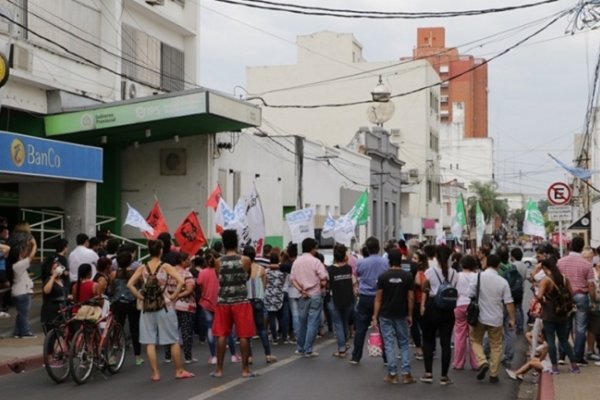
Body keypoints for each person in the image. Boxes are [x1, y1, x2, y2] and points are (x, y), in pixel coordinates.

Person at [127, 239, 194, 381]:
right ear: (161, 251)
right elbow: (181, 281)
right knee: (173, 339)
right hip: (165, 306)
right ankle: (179, 371)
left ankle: (155, 373)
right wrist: (173, 296)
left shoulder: (142, 267)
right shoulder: (165, 266)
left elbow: (130, 284)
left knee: (150, 341)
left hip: (147, 307)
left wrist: (140, 297)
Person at [211, 230, 256, 378]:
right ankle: (245, 370)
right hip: (241, 301)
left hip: (223, 301)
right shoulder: (245, 260)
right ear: (236, 242)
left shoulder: (218, 262)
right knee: (243, 335)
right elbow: (247, 277)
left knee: (222, 335)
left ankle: (219, 370)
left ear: (223, 243)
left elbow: (220, 278)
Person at [469, 254, 516, 383]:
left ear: (486, 263)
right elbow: (509, 302)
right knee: (496, 345)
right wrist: (512, 319)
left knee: (475, 340)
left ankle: (482, 361)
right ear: (498, 265)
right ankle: (493, 373)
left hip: (479, 317)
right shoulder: (502, 281)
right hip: (496, 318)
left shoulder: (477, 277)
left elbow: (470, 293)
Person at [372, 249, 416, 384]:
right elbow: (411, 297)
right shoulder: (408, 276)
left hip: (385, 314)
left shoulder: (383, 276)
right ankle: (407, 373)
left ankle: (392, 374)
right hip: (401, 313)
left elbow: (378, 298)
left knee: (389, 343)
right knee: (403, 343)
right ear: (401, 260)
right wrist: (410, 314)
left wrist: (374, 316)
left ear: (389, 261)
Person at [420, 244, 458, 385]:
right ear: (449, 257)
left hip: (432, 307)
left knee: (428, 340)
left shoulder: (430, 272)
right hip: (448, 310)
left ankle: (428, 373)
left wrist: (423, 305)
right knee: (446, 343)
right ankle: (444, 376)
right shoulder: (454, 273)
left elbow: (424, 288)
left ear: (436, 256)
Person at [536, 258, 580, 374]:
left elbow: (539, 296)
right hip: (562, 314)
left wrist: (544, 303)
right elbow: (572, 293)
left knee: (551, 340)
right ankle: (574, 365)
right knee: (564, 340)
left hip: (549, 314)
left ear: (545, 268)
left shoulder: (546, 280)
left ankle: (554, 367)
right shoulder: (564, 278)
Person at [557, 236, 596, 365]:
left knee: (565, 326)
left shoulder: (561, 262)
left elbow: (557, 281)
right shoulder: (586, 264)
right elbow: (591, 285)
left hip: (565, 297)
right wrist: (594, 300)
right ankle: (578, 357)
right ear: (581, 247)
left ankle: (562, 356)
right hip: (581, 296)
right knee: (580, 328)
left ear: (571, 246)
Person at [349, 237, 389, 364]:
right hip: (381, 297)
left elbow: (358, 275)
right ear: (378, 248)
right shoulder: (385, 262)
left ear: (367, 248)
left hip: (365, 297)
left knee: (360, 328)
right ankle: (387, 357)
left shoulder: (361, 263)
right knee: (384, 328)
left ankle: (356, 356)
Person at [290, 237, 328, 357]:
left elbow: (292, 279)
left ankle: (300, 348)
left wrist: (301, 289)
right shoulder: (316, 262)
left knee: (302, 322)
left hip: (302, 295)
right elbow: (324, 278)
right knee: (312, 322)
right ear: (313, 248)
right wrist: (322, 284)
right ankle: (308, 349)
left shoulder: (297, 261)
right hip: (315, 294)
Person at [244, 245, 277, 364]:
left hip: (246, 301)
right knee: (262, 329)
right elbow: (264, 285)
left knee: (247, 331)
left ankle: (249, 357)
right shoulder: (260, 269)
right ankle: (268, 355)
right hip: (258, 300)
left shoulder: (242, 269)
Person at [164, 252, 197, 364]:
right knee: (186, 332)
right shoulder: (186, 273)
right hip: (185, 306)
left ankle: (168, 356)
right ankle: (188, 357)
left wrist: (171, 297)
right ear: (182, 261)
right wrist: (178, 296)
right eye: (188, 259)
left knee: (170, 331)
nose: (189, 261)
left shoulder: (168, 272)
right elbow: (189, 290)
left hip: (169, 305)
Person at [111, 251, 143, 366]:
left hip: (118, 303)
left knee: (117, 329)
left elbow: (111, 288)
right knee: (135, 330)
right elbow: (141, 285)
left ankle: (113, 356)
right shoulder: (134, 274)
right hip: (132, 303)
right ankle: (138, 356)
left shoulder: (114, 274)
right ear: (130, 261)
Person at [327, 244, 357, 358]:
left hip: (335, 299)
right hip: (348, 299)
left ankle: (341, 349)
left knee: (338, 324)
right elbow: (353, 282)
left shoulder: (329, 269)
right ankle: (344, 343)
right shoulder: (348, 268)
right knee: (344, 322)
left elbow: (326, 284)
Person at [453, 254, 479, 371]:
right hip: (473, 307)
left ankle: (458, 363)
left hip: (459, 305)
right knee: (474, 335)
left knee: (459, 335)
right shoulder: (477, 276)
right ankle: (476, 363)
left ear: (461, 264)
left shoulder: (457, 276)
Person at [11, 236, 37, 338]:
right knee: (24, 314)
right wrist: (34, 245)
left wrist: (27, 245)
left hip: (19, 292)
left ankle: (17, 332)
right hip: (22, 293)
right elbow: (30, 257)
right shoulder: (17, 265)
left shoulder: (16, 265)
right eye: (20, 254)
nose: (23, 255)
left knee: (20, 314)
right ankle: (25, 332)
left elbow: (26, 254)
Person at [265, 250, 287, 348]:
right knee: (281, 316)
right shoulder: (282, 271)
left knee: (271, 317)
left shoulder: (266, 271)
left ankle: (274, 338)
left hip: (269, 295)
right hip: (279, 294)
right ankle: (285, 337)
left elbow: (264, 283)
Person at [41, 258, 68, 334]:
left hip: (61, 312)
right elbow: (46, 291)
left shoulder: (61, 280)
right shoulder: (49, 279)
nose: (57, 269)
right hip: (51, 313)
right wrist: (53, 276)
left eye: (58, 267)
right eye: (54, 268)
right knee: (52, 337)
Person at [411, 251, 427, 361]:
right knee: (421, 325)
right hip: (420, 301)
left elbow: (420, 285)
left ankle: (419, 348)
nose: (412, 260)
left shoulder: (420, 273)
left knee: (415, 325)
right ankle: (425, 347)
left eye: (415, 258)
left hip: (418, 301)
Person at [510, 247, 528, 334]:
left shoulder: (513, 265)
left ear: (513, 256)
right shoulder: (524, 265)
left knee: (516, 308)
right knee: (520, 307)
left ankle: (519, 326)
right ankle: (521, 325)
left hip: (514, 289)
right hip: (521, 289)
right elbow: (525, 277)